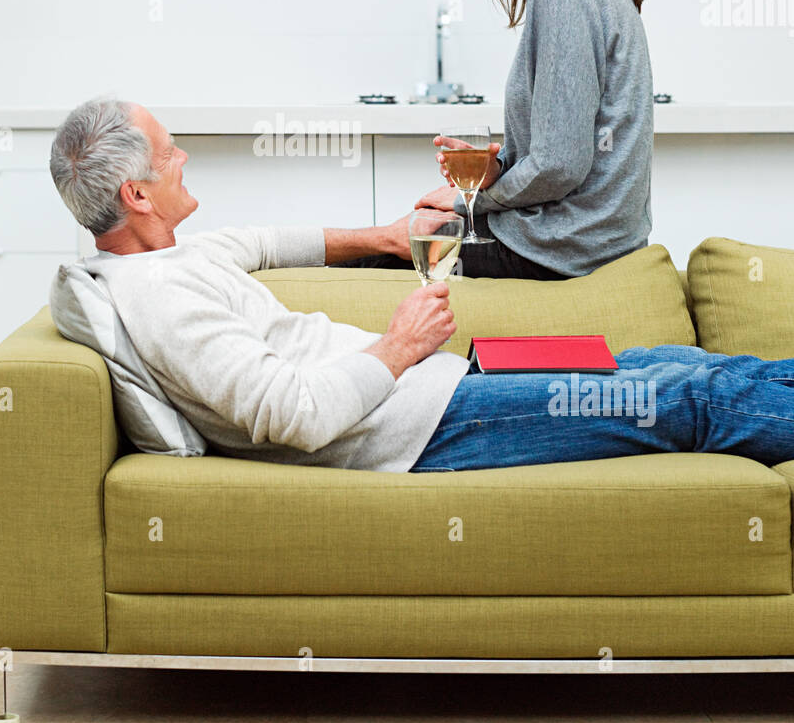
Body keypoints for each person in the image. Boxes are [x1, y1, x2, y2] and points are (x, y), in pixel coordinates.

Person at [47, 97, 794, 475]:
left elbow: (269, 242)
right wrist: (398, 345)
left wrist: (380, 236)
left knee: (670, 361)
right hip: (423, 426)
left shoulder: (172, 258)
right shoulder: (160, 299)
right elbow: (295, 414)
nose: (181, 156)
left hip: (437, 386)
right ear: (137, 196)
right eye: (167, 151)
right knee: (684, 399)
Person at [354, 0, 653, 281]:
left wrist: (468, 201)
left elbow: (559, 166)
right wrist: (498, 169)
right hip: (588, 241)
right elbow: (566, 149)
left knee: (371, 259)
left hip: (559, 249)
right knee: (404, 233)